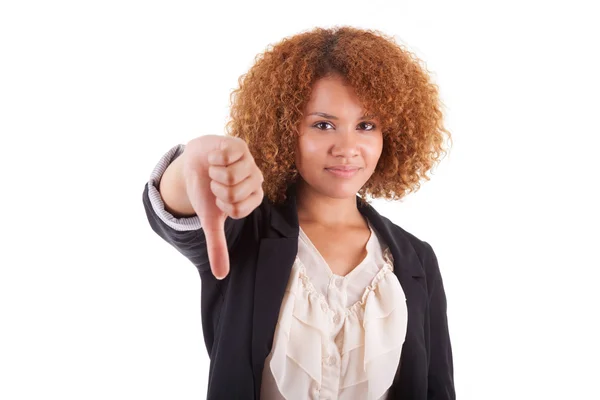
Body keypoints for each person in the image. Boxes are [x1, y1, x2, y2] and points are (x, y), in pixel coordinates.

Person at [142, 26, 455, 400]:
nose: (347, 147)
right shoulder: (246, 232)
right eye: (323, 125)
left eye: (366, 125)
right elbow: (179, 208)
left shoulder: (415, 259)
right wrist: (192, 162)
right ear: (285, 128)